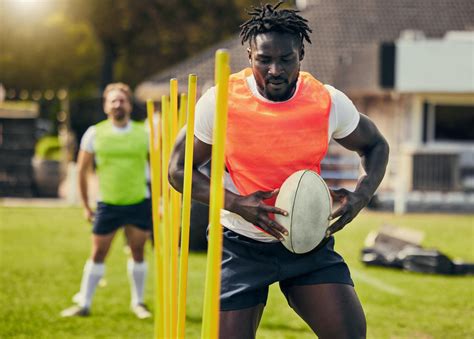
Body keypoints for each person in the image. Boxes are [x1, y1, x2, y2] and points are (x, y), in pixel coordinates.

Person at [169, 2, 389, 338]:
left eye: (286, 59)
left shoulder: (327, 100)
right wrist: (238, 203)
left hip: (306, 240)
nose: (275, 69)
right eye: (264, 59)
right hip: (238, 243)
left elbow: (375, 146)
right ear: (249, 55)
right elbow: (178, 170)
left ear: (301, 53)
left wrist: (360, 196)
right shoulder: (220, 101)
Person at [61, 83, 152, 319]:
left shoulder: (145, 132)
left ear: (130, 105)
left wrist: (160, 202)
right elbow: (82, 170)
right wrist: (85, 205)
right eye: (113, 100)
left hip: (138, 201)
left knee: (138, 252)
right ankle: (84, 303)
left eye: (122, 100)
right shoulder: (94, 133)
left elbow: (160, 168)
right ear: (105, 106)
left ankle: (138, 303)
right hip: (107, 204)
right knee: (97, 254)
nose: (117, 104)